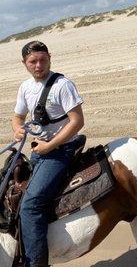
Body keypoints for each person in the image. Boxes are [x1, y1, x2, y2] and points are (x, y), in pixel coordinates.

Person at [12, 40, 84, 267]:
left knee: (31, 205)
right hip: (39, 149)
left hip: (61, 150)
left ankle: (37, 263)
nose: (38, 65)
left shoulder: (63, 85)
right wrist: (17, 130)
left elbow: (77, 121)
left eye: (43, 60)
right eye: (33, 61)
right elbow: (18, 117)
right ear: (24, 63)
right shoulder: (25, 88)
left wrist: (50, 146)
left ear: (50, 58)